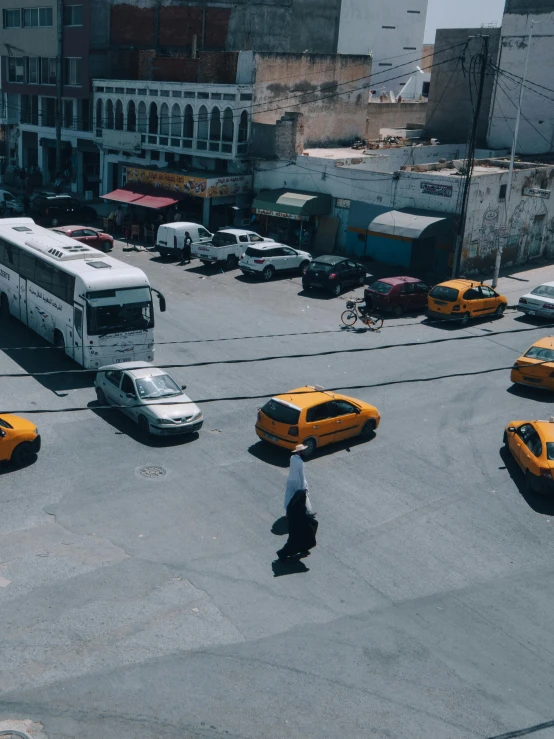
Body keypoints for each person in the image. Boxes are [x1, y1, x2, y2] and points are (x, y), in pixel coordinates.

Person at [277, 487, 318, 562]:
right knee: (294, 543)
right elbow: (301, 517)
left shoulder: (294, 504)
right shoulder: (297, 507)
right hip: (297, 529)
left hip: (298, 527)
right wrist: (309, 517)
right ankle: (282, 553)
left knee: (303, 538)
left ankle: (303, 548)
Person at [284, 443, 312, 514]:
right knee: (302, 497)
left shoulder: (292, 458)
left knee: (289, 496)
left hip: (290, 480)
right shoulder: (301, 462)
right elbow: (302, 475)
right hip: (297, 481)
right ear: (299, 452)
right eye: (303, 451)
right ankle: (306, 512)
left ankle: (287, 512)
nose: (304, 452)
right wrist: (303, 487)